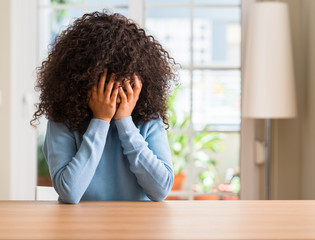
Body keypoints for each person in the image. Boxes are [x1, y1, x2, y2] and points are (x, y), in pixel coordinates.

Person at [31, 10, 178, 204]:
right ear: (82, 80)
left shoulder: (148, 118)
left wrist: (125, 123)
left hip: (139, 228)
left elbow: (160, 190)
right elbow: (69, 192)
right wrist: (100, 121)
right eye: (105, 83)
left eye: (123, 82)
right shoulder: (63, 119)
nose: (115, 91)